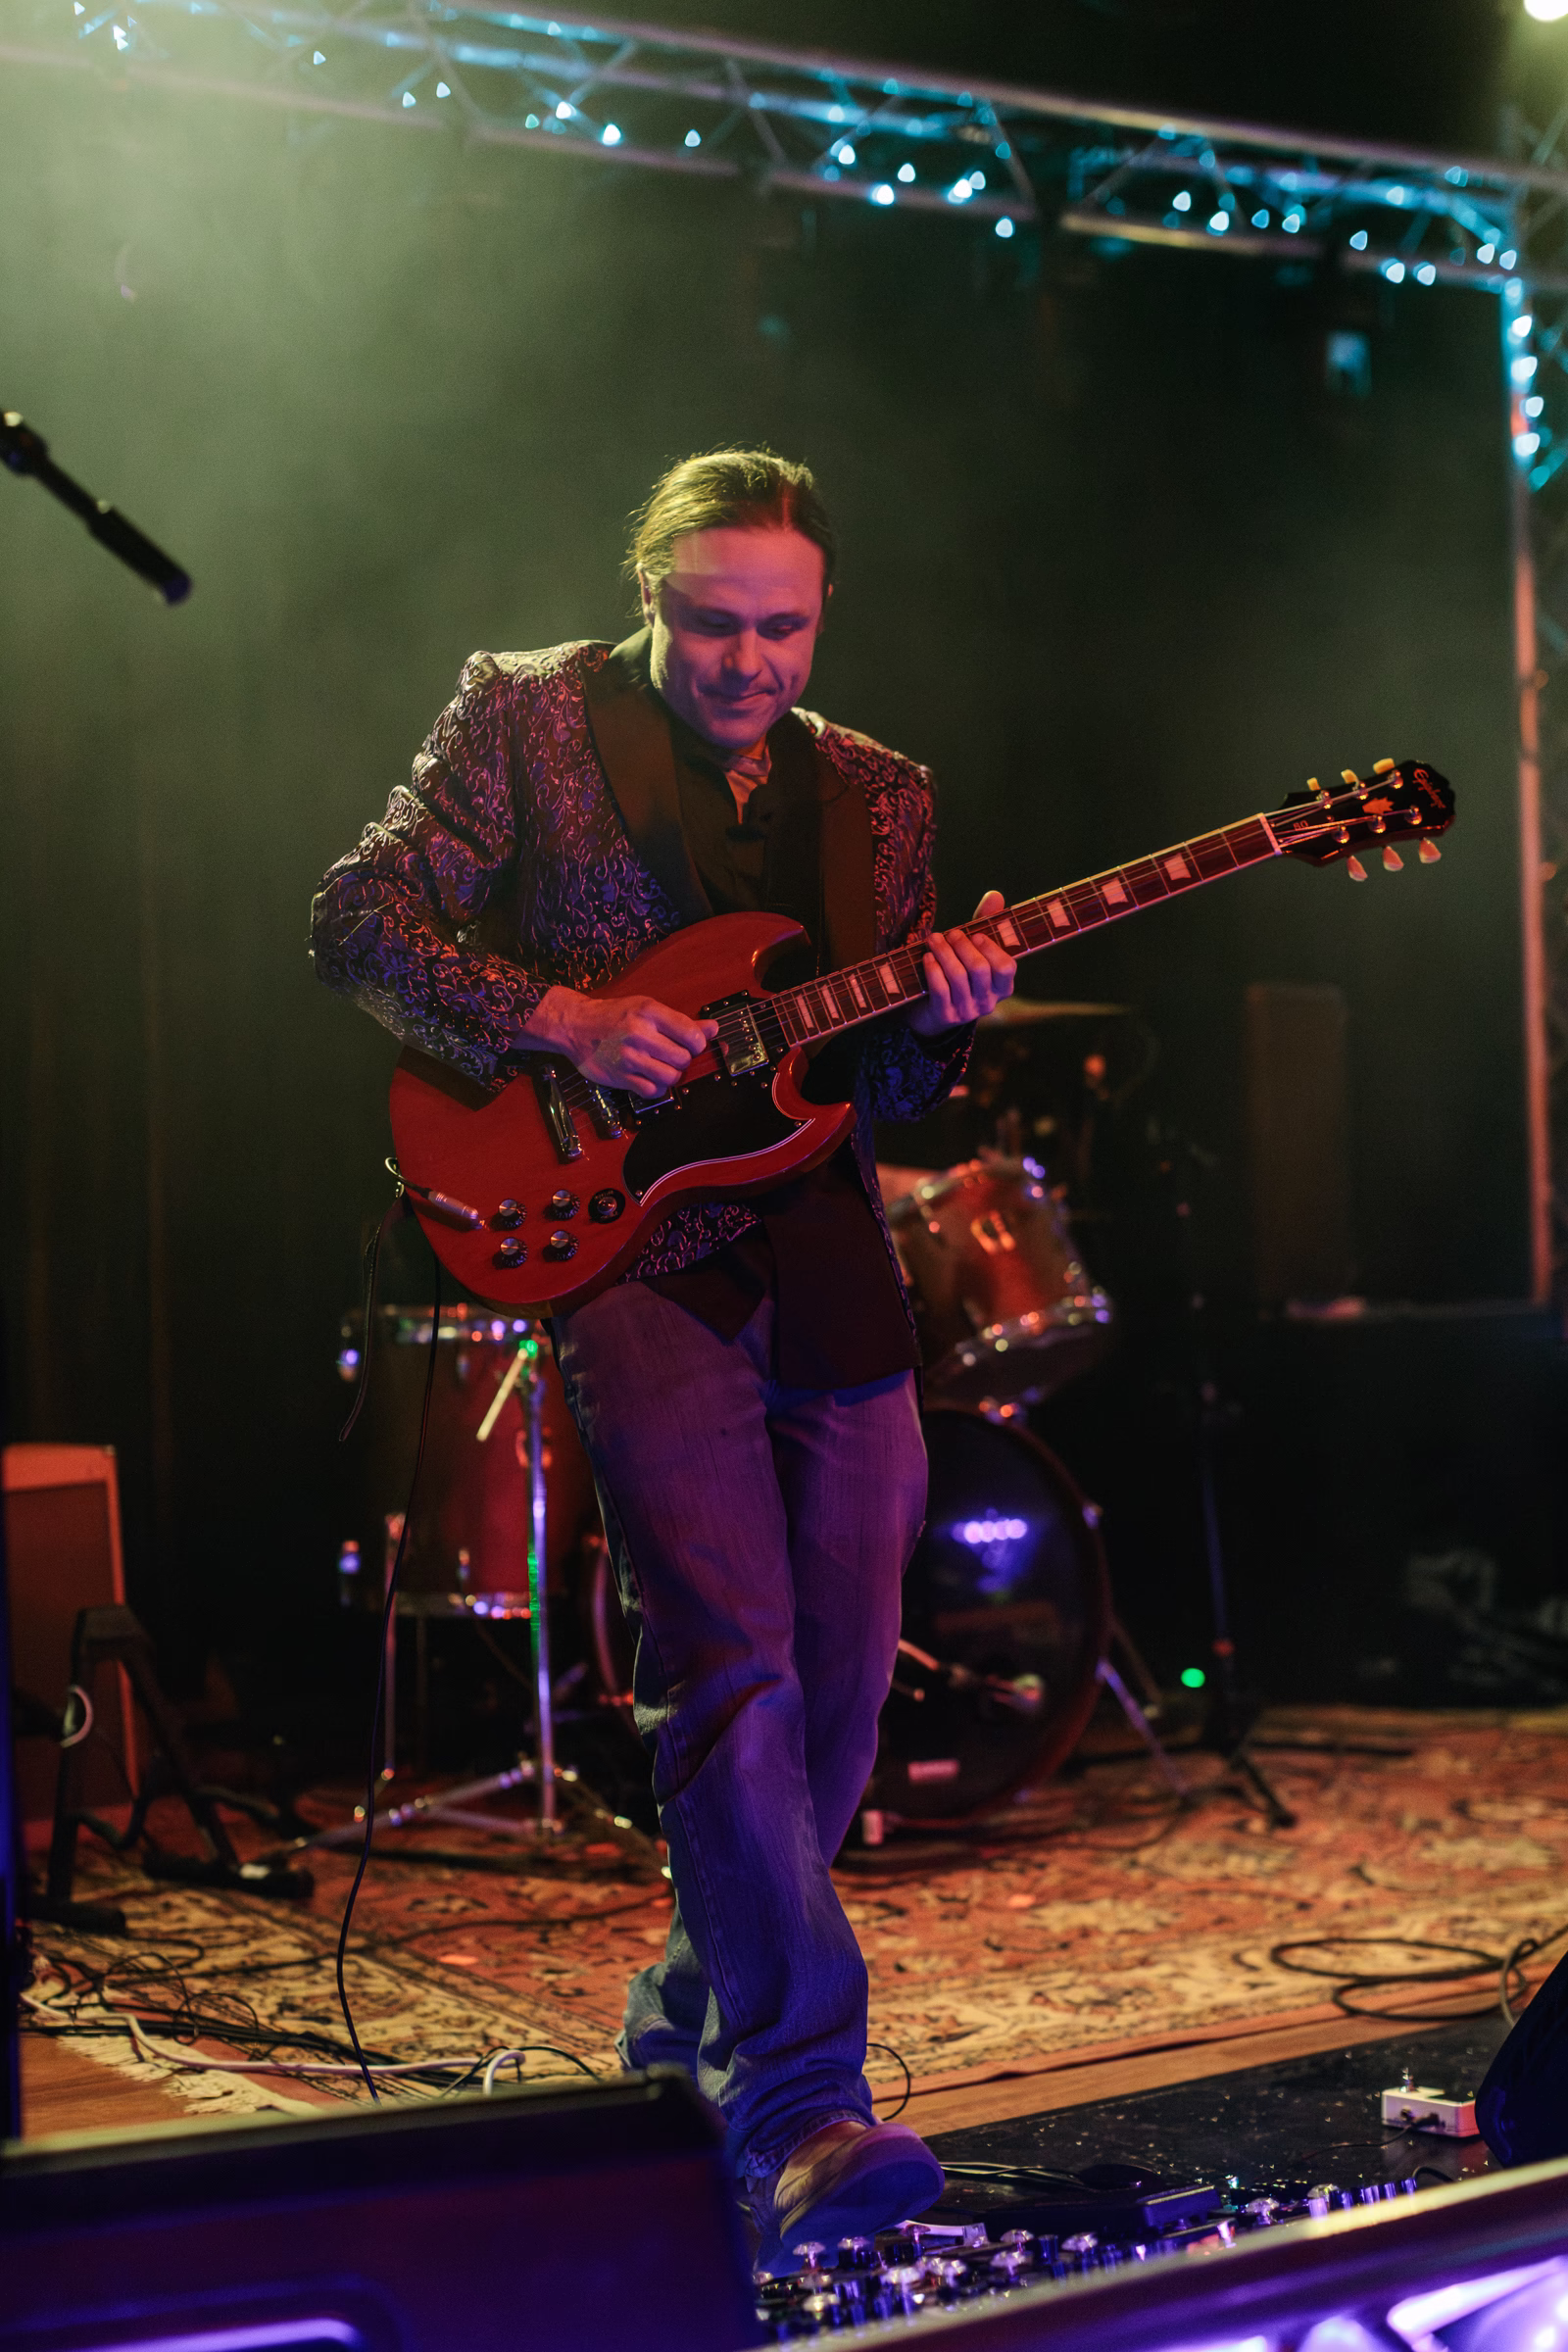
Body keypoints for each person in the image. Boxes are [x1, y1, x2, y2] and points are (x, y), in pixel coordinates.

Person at [311, 448, 1016, 2270]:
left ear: (823, 612)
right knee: (726, 1666)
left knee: (844, 1689)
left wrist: (945, 1023)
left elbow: (889, 1084)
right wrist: (556, 1012)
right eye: (712, 623)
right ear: (650, 593)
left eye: (782, 626)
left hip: (828, 1252)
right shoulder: (526, 720)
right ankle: (799, 2108)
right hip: (629, 1252)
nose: (747, 662)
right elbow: (358, 917)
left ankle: (674, 2039)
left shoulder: (881, 796)